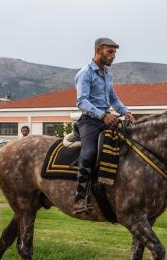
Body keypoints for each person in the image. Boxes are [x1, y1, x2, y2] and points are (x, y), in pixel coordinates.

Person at [73, 37, 135, 215]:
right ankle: (80, 197)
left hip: (107, 119)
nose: (113, 56)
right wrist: (103, 115)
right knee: (89, 153)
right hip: (90, 121)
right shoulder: (85, 73)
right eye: (110, 51)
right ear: (98, 50)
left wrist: (126, 111)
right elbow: (81, 101)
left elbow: (113, 98)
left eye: (115, 52)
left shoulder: (108, 73)